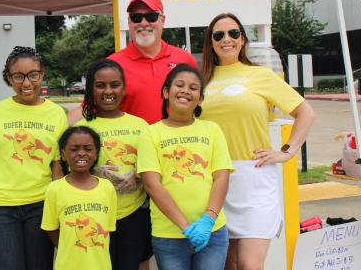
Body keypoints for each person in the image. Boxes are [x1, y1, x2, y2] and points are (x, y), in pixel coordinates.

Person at [199, 13, 315, 270]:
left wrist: (287, 151)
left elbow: (305, 112)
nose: (226, 39)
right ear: (210, 42)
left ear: (242, 40)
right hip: (215, 180)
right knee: (228, 266)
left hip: (254, 178)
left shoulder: (261, 75)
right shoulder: (201, 80)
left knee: (250, 265)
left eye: (233, 33)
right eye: (218, 35)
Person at [0, 46, 68, 270]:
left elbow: (57, 170)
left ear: (42, 74)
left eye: (33, 75)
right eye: (19, 76)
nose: (27, 83)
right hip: (0, 209)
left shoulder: (56, 114)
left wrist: (60, 212)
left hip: (41, 206)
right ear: (9, 78)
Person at [137, 64, 234, 270]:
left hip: (213, 232)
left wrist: (208, 219)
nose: (185, 91)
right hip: (169, 236)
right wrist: (186, 227)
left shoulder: (212, 130)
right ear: (165, 92)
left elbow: (222, 177)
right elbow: (152, 185)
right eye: (179, 85)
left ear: (200, 98)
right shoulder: (150, 133)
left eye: (193, 88)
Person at [76, 59, 151, 270]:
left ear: (124, 88)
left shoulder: (141, 126)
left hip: (134, 214)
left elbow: (155, 167)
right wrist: (92, 173)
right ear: (90, 89)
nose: (108, 91)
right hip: (96, 216)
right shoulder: (81, 127)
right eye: (100, 85)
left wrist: (139, 175)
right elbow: (69, 174)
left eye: (115, 85)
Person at [107, 0, 198, 125]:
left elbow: (200, 106)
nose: (143, 23)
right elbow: (90, 110)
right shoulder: (111, 65)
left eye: (151, 16)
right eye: (136, 17)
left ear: (163, 20)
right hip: (133, 146)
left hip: (179, 145)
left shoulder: (185, 59)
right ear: (129, 22)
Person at [41, 126, 117, 270]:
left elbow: (107, 229)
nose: (81, 153)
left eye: (88, 149)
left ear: (96, 153)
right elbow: (50, 229)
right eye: (74, 149)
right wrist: (69, 246)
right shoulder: (55, 189)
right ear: (63, 154)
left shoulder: (107, 188)